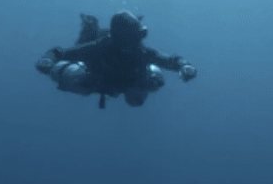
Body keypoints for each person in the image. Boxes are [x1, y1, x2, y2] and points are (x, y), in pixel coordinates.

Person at [36, 10, 197, 109]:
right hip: (99, 81)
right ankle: (88, 32)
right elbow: (60, 53)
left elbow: (171, 61)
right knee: (75, 77)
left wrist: (184, 66)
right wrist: (48, 62)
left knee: (153, 80)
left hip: (126, 83)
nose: (128, 46)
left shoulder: (140, 52)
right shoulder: (101, 46)